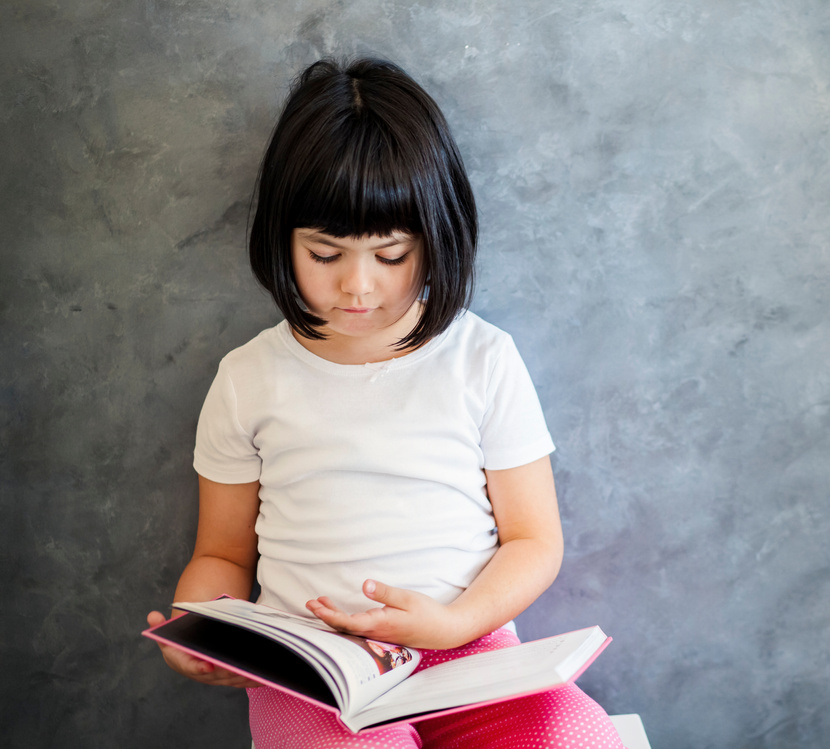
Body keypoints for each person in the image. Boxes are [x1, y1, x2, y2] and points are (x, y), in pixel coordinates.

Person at [146, 58, 624, 748]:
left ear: (436, 240)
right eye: (325, 252)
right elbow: (221, 551)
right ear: (282, 239)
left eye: (391, 254)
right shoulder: (249, 377)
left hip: (470, 654)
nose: (358, 286)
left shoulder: (482, 359)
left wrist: (456, 623)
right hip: (315, 673)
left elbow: (534, 540)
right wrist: (210, 628)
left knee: (578, 736)